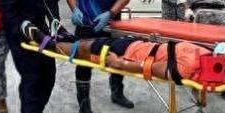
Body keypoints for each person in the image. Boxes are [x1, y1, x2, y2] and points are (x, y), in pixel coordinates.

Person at [23, 25, 208, 83]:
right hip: (138, 45)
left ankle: (49, 44)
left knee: (85, 49)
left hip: (126, 54)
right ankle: (65, 39)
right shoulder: (204, 52)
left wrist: (121, 65)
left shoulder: (187, 67)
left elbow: (153, 69)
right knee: (86, 43)